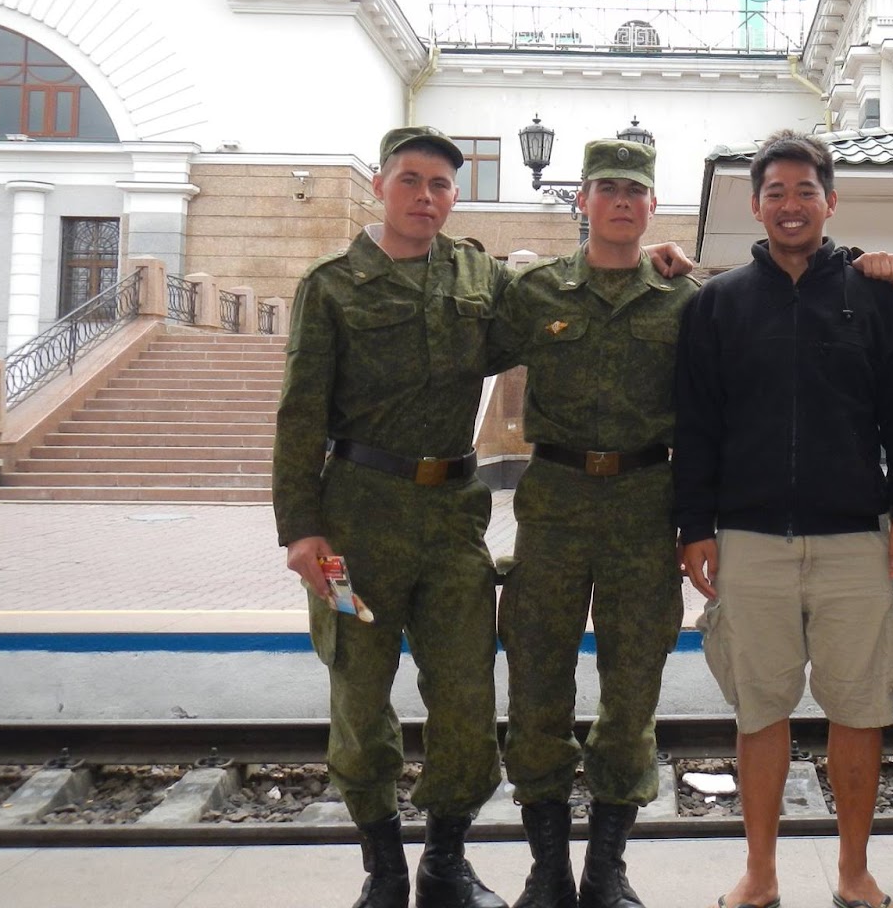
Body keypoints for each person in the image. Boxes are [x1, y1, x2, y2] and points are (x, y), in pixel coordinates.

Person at [274, 125, 690, 908]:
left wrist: (658, 255)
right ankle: (384, 873)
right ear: (379, 185)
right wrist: (300, 529)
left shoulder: (480, 278)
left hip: (452, 519)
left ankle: (444, 864)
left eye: (439, 184)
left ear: (453, 196)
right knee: (358, 695)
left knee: (466, 700)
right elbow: (299, 413)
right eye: (410, 180)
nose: (424, 196)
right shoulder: (331, 285)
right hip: (352, 519)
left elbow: (594, 289)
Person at [674, 129, 893, 908]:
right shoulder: (718, 303)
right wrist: (694, 525)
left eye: (806, 191)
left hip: (856, 538)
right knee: (761, 712)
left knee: (860, 711)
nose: (791, 205)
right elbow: (696, 424)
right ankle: (760, 873)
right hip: (748, 539)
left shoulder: (874, 295)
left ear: (831, 201)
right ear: (756, 207)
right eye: (776, 193)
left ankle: (854, 872)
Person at [490, 139, 698, 908]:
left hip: (645, 503)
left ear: (652, 206)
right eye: (606, 188)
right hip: (554, 504)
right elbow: (457, 348)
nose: (620, 201)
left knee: (632, 692)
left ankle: (607, 869)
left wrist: (698, 524)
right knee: (537, 686)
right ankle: (547, 870)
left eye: (633, 191)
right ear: (582, 200)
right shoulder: (535, 291)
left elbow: (707, 418)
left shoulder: (683, 300)